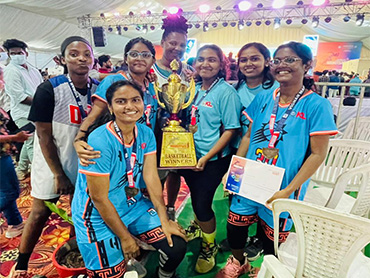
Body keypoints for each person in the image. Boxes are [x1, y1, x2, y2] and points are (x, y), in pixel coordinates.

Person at [216, 42, 338, 278]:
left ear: (307, 64)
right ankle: (238, 261)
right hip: (249, 178)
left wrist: (290, 189)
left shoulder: (317, 105)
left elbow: (318, 154)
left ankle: (262, 267)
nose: (282, 65)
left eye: (290, 60)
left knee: (270, 235)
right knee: (236, 225)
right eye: (278, 60)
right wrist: (234, 170)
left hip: (285, 186)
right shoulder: (264, 97)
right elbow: (249, 135)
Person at [72, 80, 187, 278]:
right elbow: (99, 198)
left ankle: (164, 274)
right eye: (121, 101)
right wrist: (125, 238)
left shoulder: (145, 133)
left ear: (143, 104)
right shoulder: (100, 140)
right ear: (110, 107)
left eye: (135, 100)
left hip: (132, 205)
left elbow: (151, 178)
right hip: (97, 216)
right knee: (111, 274)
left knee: (175, 245)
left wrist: (164, 219)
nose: (129, 106)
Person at [8, 36, 98, 278]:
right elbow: (45, 136)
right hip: (52, 162)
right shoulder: (49, 89)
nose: (81, 58)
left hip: (83, 161)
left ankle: (77, 255)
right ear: (62, 59)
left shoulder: (97, 90)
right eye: (74, 53)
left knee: (80, 212)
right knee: (39, 212)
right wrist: (58, 173)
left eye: (87, 54)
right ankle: (22, 264)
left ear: (93, 60)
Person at [178, 44, 241, 274]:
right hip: (187, 156)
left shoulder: (226, 92)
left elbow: (231, 129)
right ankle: (200, 227)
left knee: (202, 204)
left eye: (212, 60)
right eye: (201, 59)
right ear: (194, 64)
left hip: (212, 160)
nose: (205, 63)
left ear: (221, 64)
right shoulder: (192, 88)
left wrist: (207, 157)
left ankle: (209, 246)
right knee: (196, 198)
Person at [222, 42, 279, 259]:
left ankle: (258, 238)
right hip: (240, 148)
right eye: (243, 59)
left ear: (266, 61)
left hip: (267, 154)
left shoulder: (276, 90)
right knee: (236, 193)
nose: (248, 64)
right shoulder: (235, 88)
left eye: (254, 58)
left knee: (263, 198)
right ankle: (240, 235)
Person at [74, 37, 158, 166]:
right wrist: (79, 139)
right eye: (134, 54)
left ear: (153, 61)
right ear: (126, 58)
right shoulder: (112, 81)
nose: (139, 58)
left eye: (145, 55)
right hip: (115, 150)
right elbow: (94, 115)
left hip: (143, 150)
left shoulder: (151, 87)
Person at [153, 15, 194, 220]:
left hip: (179, 129)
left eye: (182, 45)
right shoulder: (151, 70)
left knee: (175, 171)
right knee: (157, 173)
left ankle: (170, 206)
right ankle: (156, 206)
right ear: (162, 43)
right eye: (172, 43)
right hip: (154, 131)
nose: (177, 48)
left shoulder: (188, 73)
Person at [2, 39, 43, 180]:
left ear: (26, 53)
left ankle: (21, 169)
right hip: (22, 113)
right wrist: (42, 102)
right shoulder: (10, 71)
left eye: (19, 52)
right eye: (13, 53)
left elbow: (41, 89)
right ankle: (40, 175)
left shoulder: (33, 69)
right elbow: (20, 97)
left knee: (28, 140)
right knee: (33, 142)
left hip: (36, 111)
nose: (17, 55)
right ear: (9, 55)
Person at [0, 108, 31, 239]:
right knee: (10, 192)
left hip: (3, 153)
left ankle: (15, 223)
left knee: (6, 190)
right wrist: (15, 138)